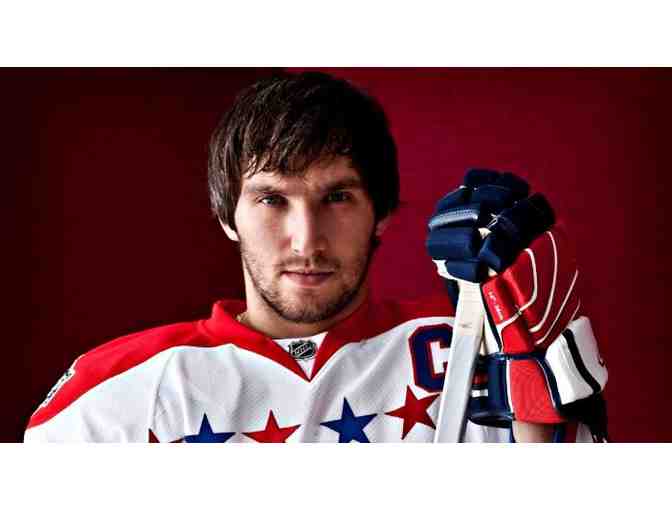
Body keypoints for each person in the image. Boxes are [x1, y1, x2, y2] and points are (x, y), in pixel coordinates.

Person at [24, 71, 608, 443]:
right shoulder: (116, 393)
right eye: (272, 200)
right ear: (227, 215)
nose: (306, 241)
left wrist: (539, 405)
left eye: (337, 198)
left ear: (381, 212)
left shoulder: (473, 349)